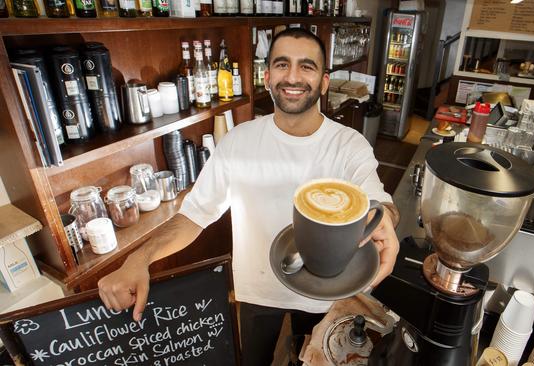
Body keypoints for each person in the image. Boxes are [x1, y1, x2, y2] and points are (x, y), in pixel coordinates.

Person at [98, 28, 400, 366]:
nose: (293, 76)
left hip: (326, 293)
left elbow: (377, 199)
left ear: (324, 81)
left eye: (307, 66)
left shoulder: (348, 144)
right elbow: (194, 215)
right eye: (283, 65)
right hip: (257, 291)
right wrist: (139, 258)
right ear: (267, 77)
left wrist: (386, 217)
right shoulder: (238, 142)